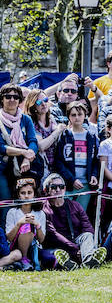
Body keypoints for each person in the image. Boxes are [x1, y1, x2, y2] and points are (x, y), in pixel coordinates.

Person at [41, 173, 106, 270]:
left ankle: (88, 261)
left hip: (76, 242)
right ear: (46, 190)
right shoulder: (44, 209)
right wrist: (75, 249)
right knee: (57, 254)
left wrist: (79, 248)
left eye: (61, 187)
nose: (58, 190)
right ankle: (72, 262)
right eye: (54, 187)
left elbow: (87, 227)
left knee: (87, 235)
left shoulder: (75, 205)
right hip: (57, 246)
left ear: (65, 189)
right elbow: (53, 235)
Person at [0, 83, 38, 225]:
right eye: (8, 96)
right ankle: (5, 240)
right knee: (7, 203)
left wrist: (27, 159)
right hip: (2, 168)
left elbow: (33, 142)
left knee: (25, 205)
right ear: (2, 99)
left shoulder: (25, 119)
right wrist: (24, 152)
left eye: (16, 97)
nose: (12, 100)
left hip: (23, 167)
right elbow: (1, 147)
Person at [55, 101, 100, 213]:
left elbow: (95, 160)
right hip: (69, 184)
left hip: (86, 184)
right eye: (73, 115)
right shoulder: (65, 136)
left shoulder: (91, 137)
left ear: (85, 115)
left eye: (80, 114)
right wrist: (72, 179)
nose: (77, 118)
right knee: (65, 213)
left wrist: (94, 174)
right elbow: (59, 161)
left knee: (80, 213)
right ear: (69, 117)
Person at [23, 89, 66, 182]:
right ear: (33, 105)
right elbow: (41, 146)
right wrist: (57, 131)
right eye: (39, 102)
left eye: (46, 100)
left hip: (56, 166)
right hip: (40, 168)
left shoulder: (52, 119)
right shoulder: (31, 122)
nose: (44, 104)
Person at [5, 177, 46, 270]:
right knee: (26, 226)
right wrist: (19, 223)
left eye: (29, 193)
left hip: (34, 248)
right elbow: (9, 238)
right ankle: (24, 259)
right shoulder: (12, 212)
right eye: (23, 193)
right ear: (19, 196)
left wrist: (37, 225)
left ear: (34, 195)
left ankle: (29, 260)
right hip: (15, 247)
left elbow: (42, 240)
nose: (26, 196)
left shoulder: (40, 213)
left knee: (29, 226)